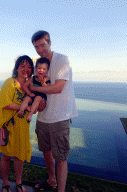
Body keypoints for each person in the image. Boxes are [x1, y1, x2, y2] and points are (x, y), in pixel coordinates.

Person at [31, 30, 78, 192]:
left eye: (42, 45)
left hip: (60, 116)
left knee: (61, 157)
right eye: (36, 47)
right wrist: (39, 103)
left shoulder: (62, 60)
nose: (39, 49)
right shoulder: (40, 63)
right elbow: (35, 87)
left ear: (50, 43)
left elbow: (58, 88)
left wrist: (36, 88)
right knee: (46, 151)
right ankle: (52, 180)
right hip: (43, 116)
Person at [0, 55, 34, 192]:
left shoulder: (31, 87)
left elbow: (35, 106)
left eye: (29, 66)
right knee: (6, 156)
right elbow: (6, 103)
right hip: (9, 127)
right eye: (22, 65)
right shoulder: (10, 83)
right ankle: (5, 183)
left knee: (19, 157)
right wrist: (25, 107)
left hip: (22, 127)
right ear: (16, 68)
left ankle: (19, 183)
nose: (26, 69)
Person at [18, 57, 51, 122]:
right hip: (32, 94)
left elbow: (48, 89)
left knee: (38, 98)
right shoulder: (32, 78)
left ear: (47, 71)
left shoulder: (46, 79)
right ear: (35, 69)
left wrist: (43, 82)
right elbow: (25, 86)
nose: (41, 70)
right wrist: (29, 93)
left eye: (44, 69)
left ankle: (30, 114)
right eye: (39, 68)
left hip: (40, 96)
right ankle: (21, 110)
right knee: (26, 99)